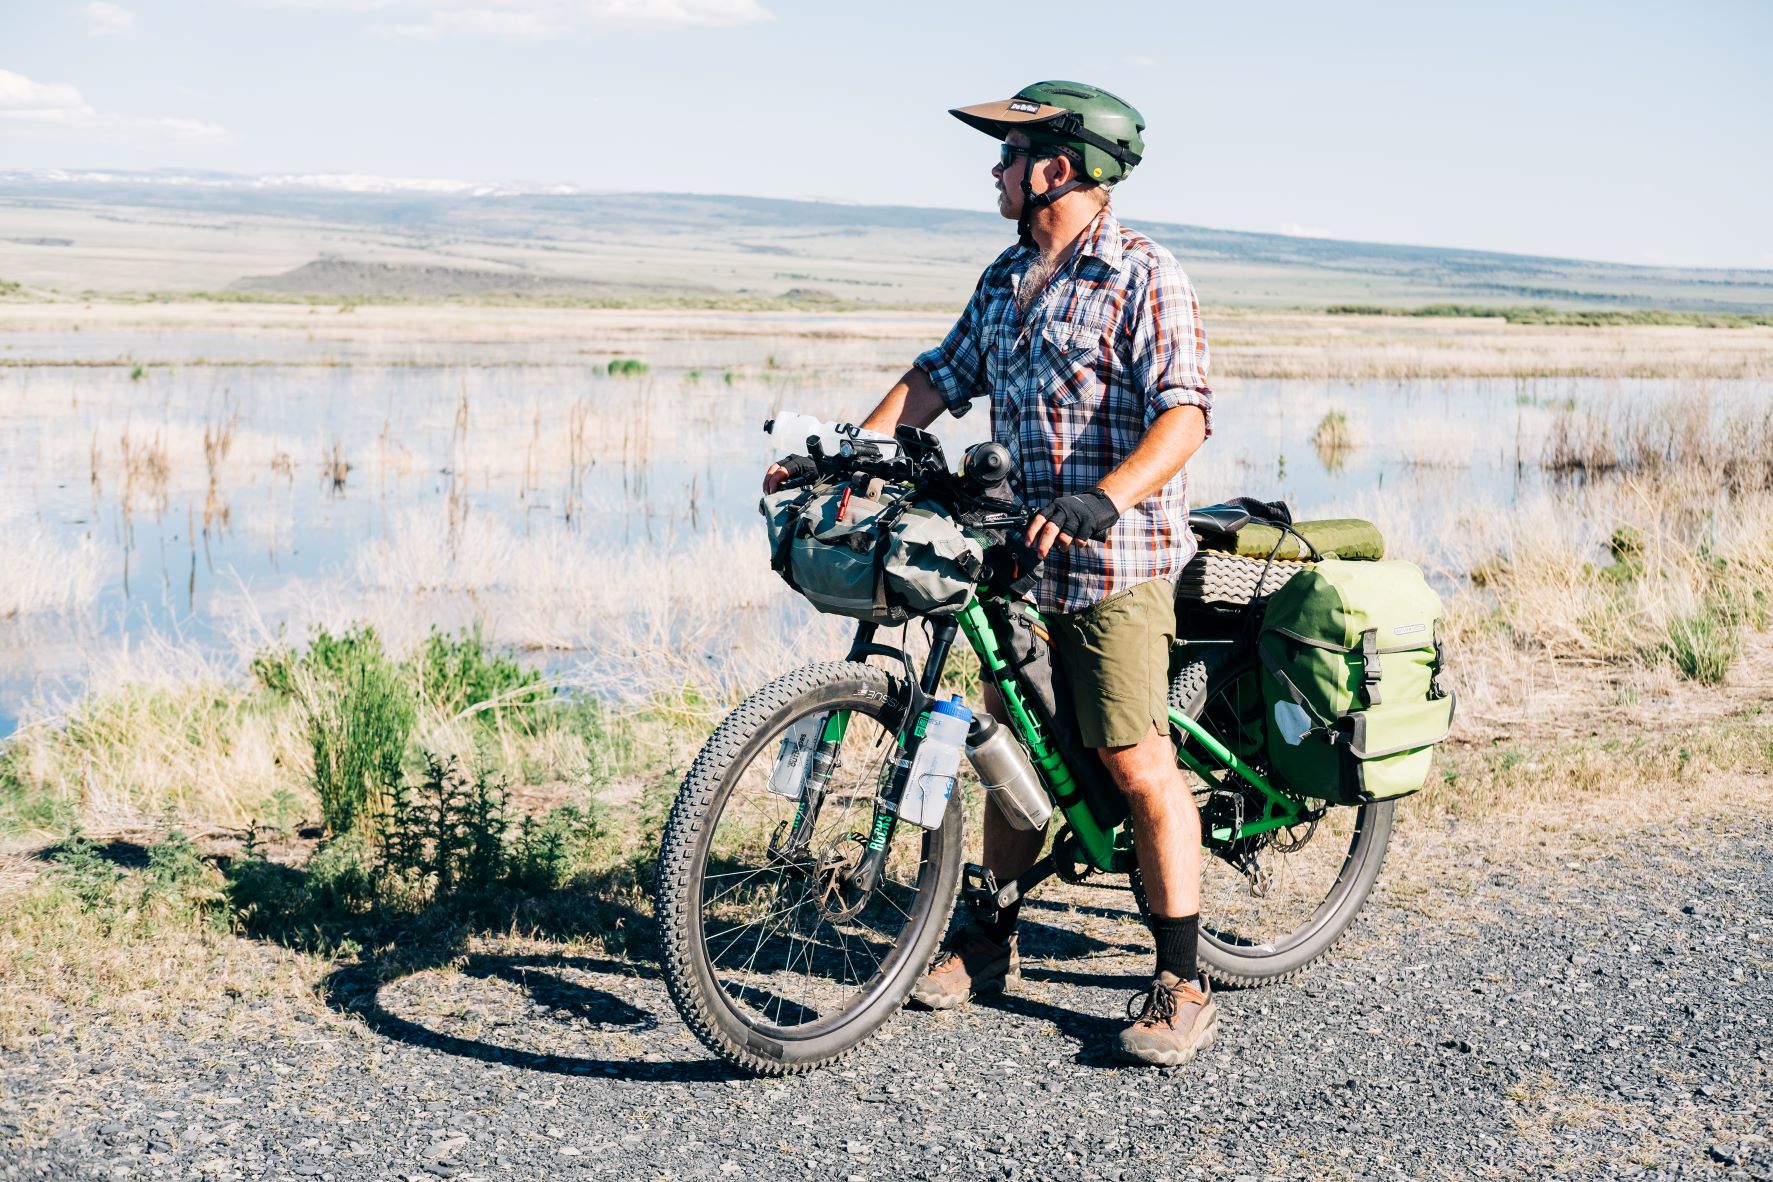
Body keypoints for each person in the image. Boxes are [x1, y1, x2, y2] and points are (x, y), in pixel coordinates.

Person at [763, 81, 1215, 1066]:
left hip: (1112, 561)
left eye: (1010, 155)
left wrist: (1109, 497)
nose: (995, 170)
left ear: (1057, 168)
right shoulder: (1008, 276)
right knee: (1005, 743)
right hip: (1015, 553)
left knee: (1136, 762)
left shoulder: (1144, 275)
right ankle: (991, 935)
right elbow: (937, 379)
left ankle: (1181, 978)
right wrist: (849, 455)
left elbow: (1186, 412)